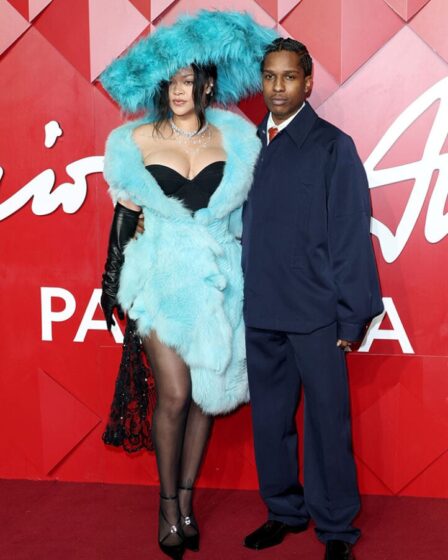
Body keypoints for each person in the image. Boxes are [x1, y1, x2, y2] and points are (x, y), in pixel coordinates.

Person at [98, 11, 276, 560]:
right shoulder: (134, 139)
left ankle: (189, 502)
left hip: (222, 276)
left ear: (206, 83)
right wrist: (109, 283)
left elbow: (255, 218)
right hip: (158, 275)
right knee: (174, 394)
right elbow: (125, 219)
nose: (178, 91)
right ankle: (167, 504)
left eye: (187, 81)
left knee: (205, 398)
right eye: (170, 82)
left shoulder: (239, 138)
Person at [241, 38, 383, 560]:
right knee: (270, 421)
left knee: (327, 423)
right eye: (270, 77)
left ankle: (337, 529)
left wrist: (352, 315)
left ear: (307, 83)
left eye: (289, 77)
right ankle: (283, 510)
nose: (278, 87)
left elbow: (349, 234)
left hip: (318, 314)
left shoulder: (331, 146)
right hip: (260, 310)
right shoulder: (245, 145)